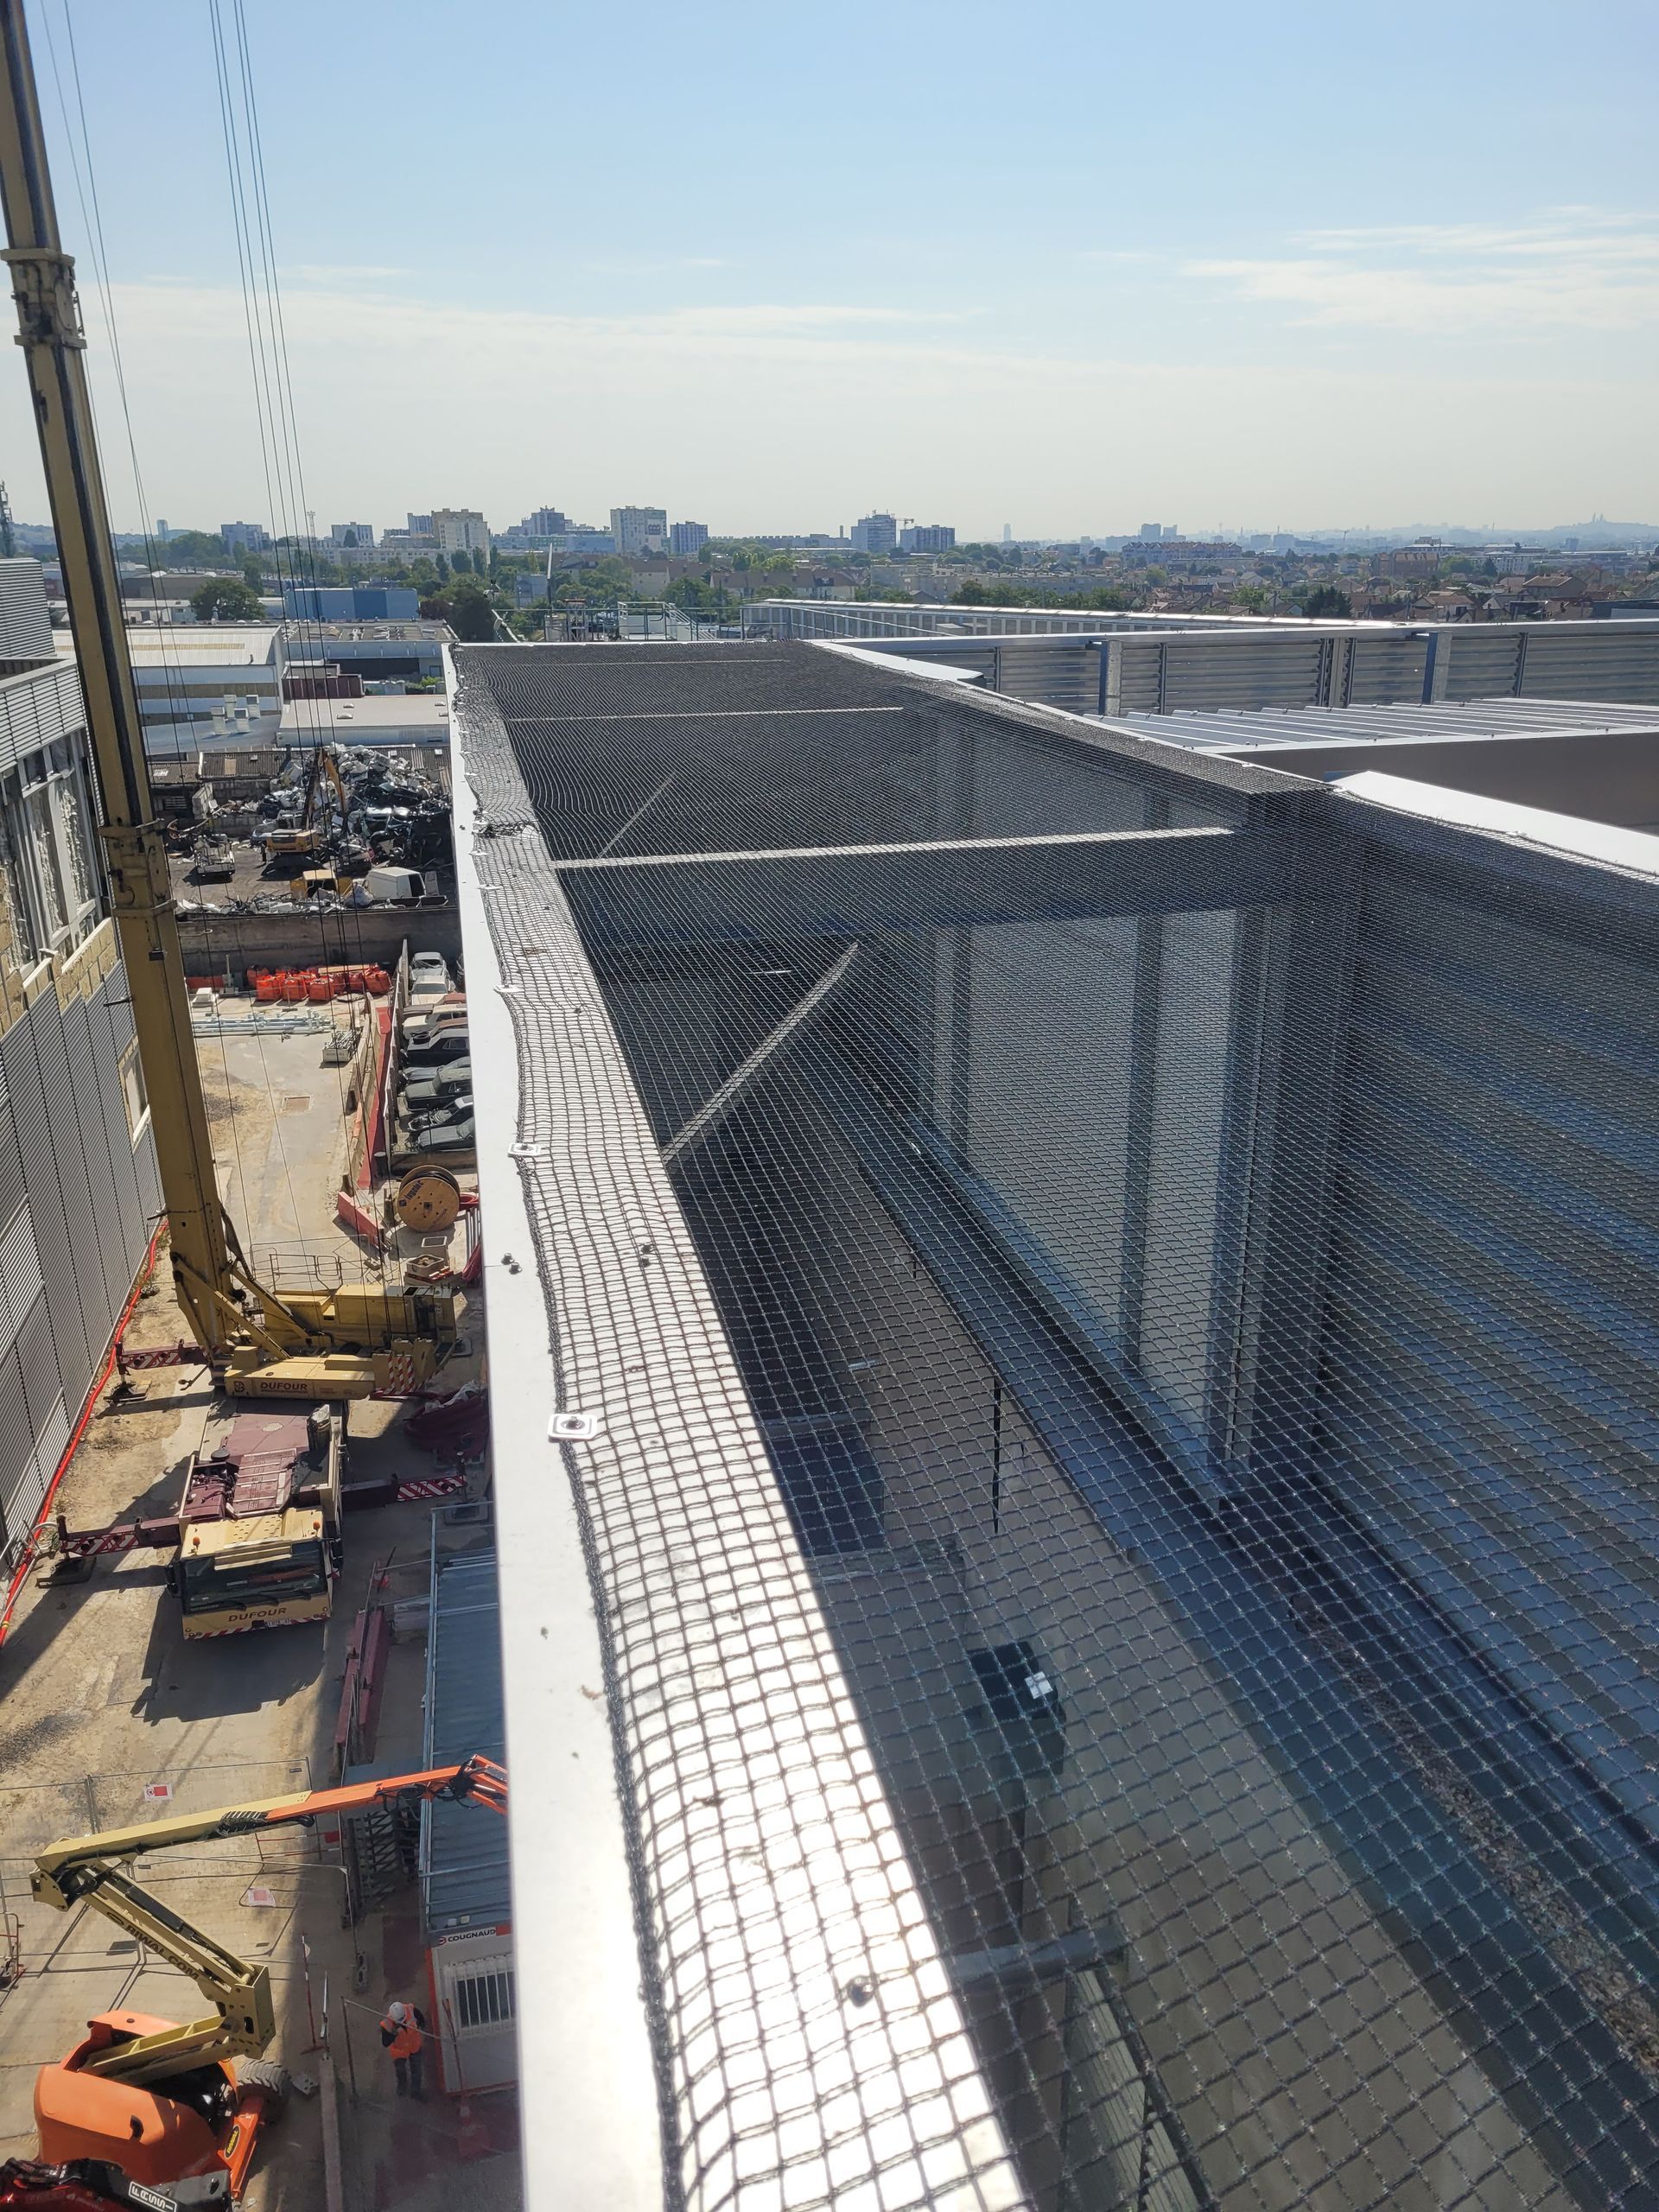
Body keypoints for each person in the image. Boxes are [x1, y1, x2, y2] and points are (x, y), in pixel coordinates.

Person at [379, 1998, 428, 2101]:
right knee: (400, 2070)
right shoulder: (387, 2024)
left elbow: (421, 2020)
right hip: (399, 2050)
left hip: (414, 2046)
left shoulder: (411, 2010)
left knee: (417, 2071)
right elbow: (385, 2043)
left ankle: (416, 2091)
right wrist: (393, 2034)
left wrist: (420, 2026)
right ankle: (402, 2085)